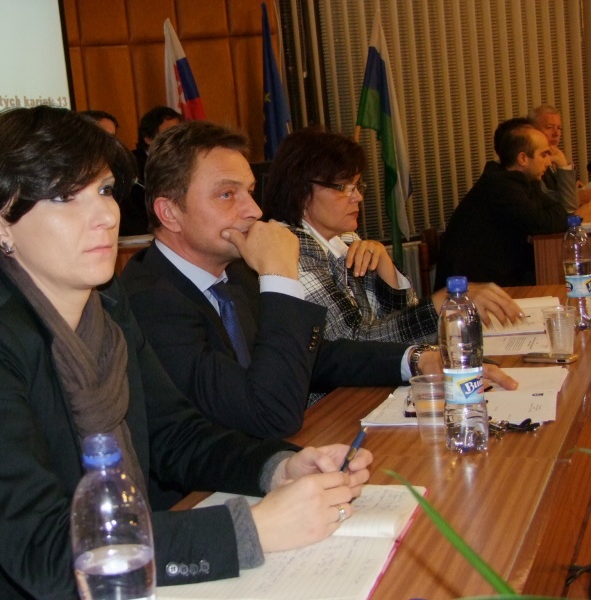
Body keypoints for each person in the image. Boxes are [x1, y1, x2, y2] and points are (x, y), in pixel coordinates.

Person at [0, 106, 378, 599]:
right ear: (0, 222)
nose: (104, 216)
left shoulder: (105, 304)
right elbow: (45, 552)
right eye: (65, 197)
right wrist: (254, 529)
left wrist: (278, 469)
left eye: (105, 190)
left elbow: (175, 434)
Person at [120, 121, 516, 439]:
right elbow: (267, 414)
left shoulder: (233, 275)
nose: (253, 210)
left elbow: (318, 357)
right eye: (227, 194)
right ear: (169, 213)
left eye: (250, 192)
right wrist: (278, 276)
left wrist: (419, 360)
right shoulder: (150, 301)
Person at [260, 127, 523, 344]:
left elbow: (403, 328)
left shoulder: (346, 239)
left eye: (357, 185)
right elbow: (352, 343)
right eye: (343, 187)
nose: (358, 197)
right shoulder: (290, 252)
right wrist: (441, 303)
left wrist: (386, 268)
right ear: (301, 192)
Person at [436, 119, 571, 288]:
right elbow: (543, 223)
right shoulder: (502, 186)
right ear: (523, 158)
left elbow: (556, 213)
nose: (549, 162)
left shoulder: (516, 180)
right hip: (469, 288)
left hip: (494, 276)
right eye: (543, 155)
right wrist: (554, 213)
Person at [122, 106, 183, 236]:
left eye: (179, 133)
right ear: (148, 139)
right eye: (169, 133)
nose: (176, 139)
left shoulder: (185, 162)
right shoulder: (130, 164)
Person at [528, 104, 591, 212]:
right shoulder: (531, 163)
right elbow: (565, 206)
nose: (556, 134)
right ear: (533, 131)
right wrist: (577, 197)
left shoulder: (554, 156)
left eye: (559, 128)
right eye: (549, 127)